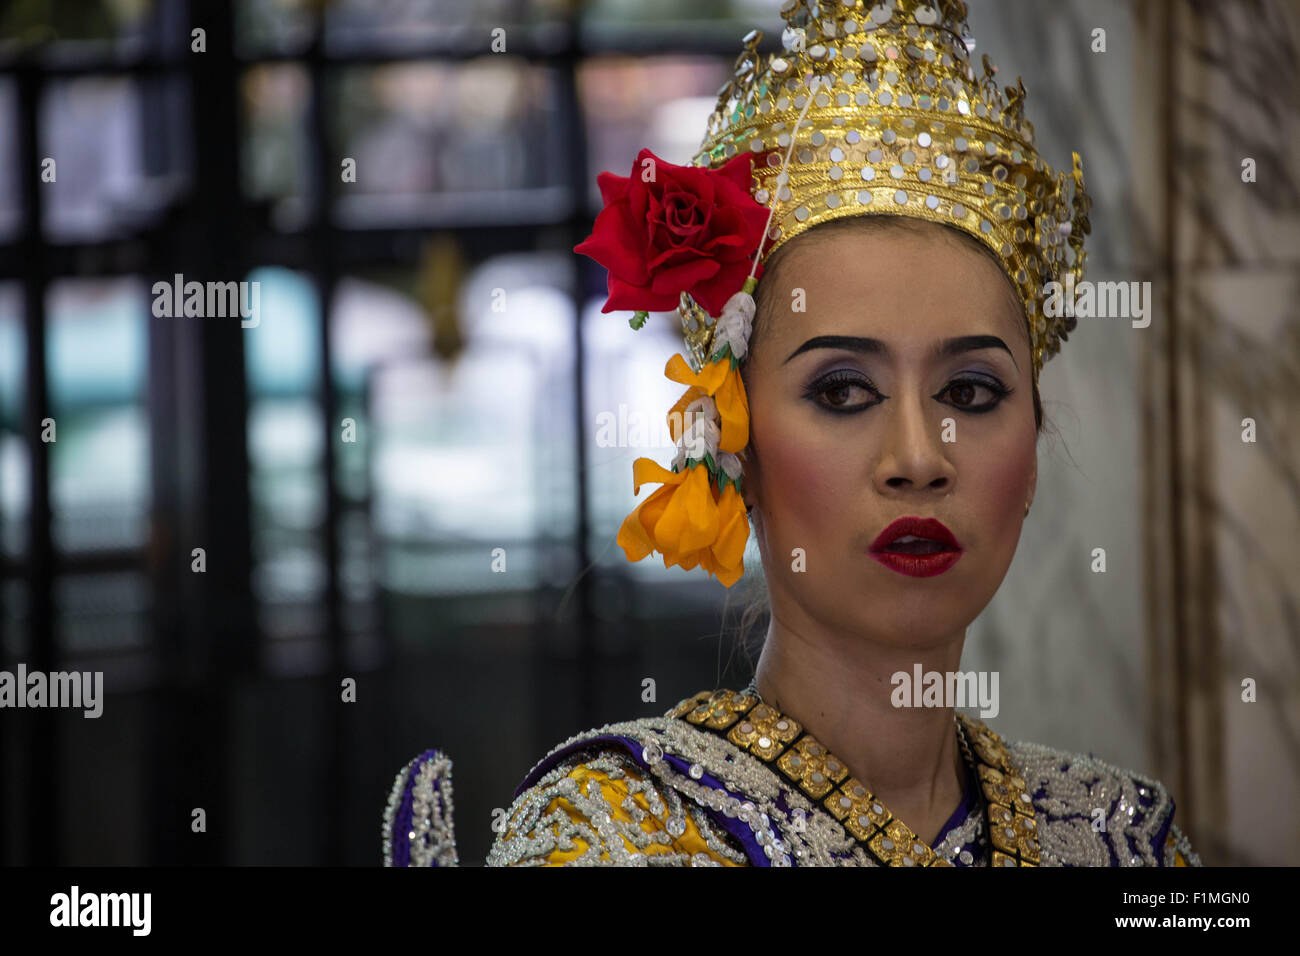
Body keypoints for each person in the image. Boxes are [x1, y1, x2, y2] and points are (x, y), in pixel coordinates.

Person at [383, 0, 1201, 867]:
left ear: (1033, 449)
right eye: (843, 391)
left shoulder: (1122, 837)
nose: (919, 458)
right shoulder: (618, 841)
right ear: (731, 443)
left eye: (969, 390)